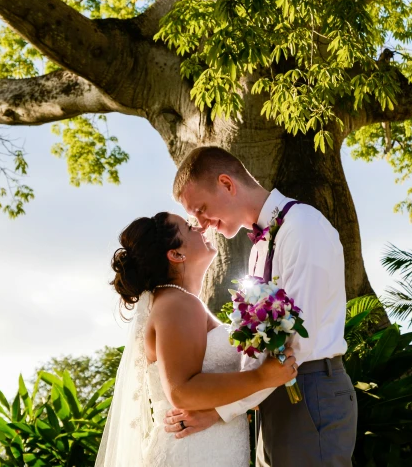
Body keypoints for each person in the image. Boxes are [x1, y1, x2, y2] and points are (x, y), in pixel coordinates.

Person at [164, 146, 358, 467]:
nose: (201, 224)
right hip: (273, 395)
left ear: (227, 184)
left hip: (309, 392)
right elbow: (257, 345)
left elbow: (297, 343)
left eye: (201, 209)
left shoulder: (302, 226)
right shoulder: (258, 250)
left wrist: (220, 410)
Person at [95, 212, 298, 466]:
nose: (201, 227)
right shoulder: (177, 303)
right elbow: (182, 391)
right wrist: (261, 377)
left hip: (205, 446)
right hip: (194, 452)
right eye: (189, 227)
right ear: (176, 254)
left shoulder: (178, 302)